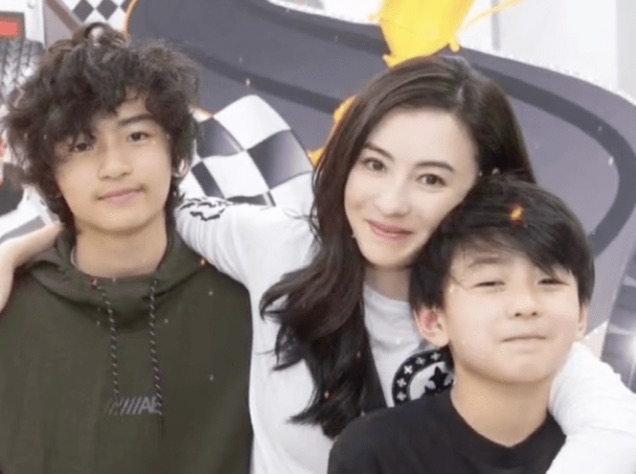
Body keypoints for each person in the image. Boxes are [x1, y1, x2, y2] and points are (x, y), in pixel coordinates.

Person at [2, 55, 636, 474]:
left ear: (485, 188)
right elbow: (142, 201)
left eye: (432, 178)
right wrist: (17, 249)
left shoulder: (500, 308)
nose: (390, 202)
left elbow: (613, 428)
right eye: (374, 164)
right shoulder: (278, 246)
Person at [0, 23, 252, 474]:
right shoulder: (13, 311)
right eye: (82, 144)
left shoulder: (250, 302)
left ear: (174, 150)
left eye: (137, 136)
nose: (115, 166)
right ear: (50, 172)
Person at [328, 175, 592, 473]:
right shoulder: (376, 452)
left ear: (581, 314)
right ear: (433, 320)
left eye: (549, 282)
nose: (526, 305)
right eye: (491, 283)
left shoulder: (611, 448)